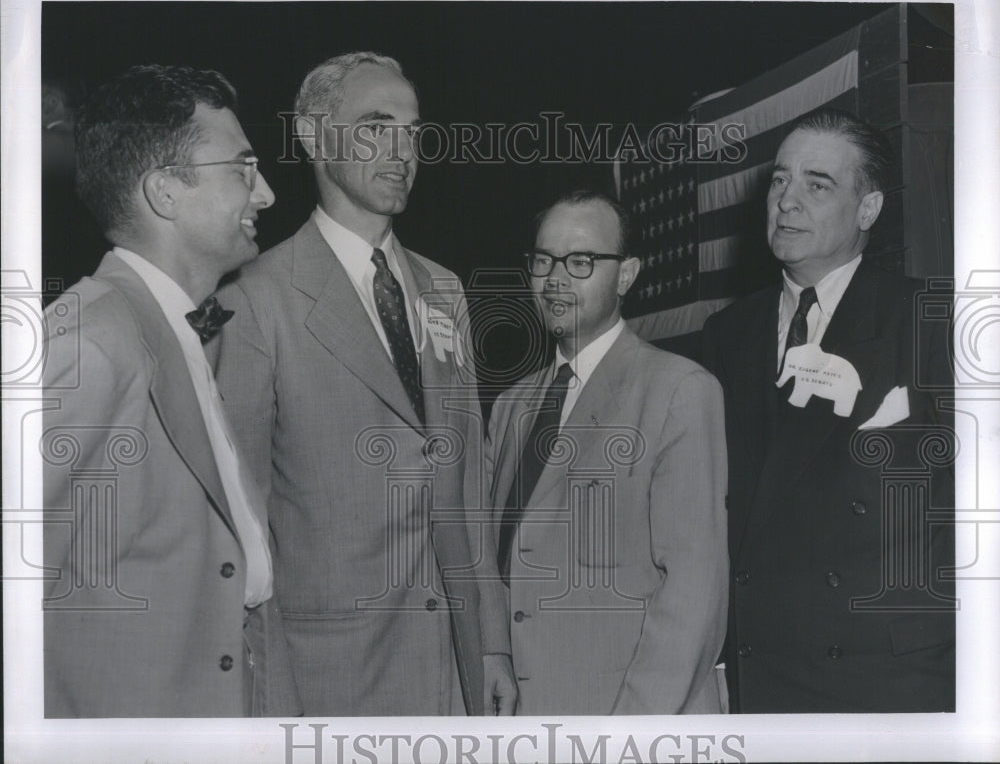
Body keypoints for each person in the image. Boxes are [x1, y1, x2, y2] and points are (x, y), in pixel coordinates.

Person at [213, 52, 515, 715]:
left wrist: (491, 644)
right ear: (315, 137)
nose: (403, 149)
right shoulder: (257, 299)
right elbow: (240, 523)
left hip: (454, 672)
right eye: (377, 126)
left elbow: (469, 489)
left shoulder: (445, 291)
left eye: (412, 130)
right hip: (332, 681)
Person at [42, 64, 299, 717]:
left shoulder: (180, 326)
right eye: (241, 168)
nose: (265, 193)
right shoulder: (89, 343)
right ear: (164, 191)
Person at [701, 107, 955, 712]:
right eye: (780, 180)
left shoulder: (931, 320)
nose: (788, 201)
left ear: (868, 210)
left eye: (818, 185)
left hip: (887, 676)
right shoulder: (726, 333)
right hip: (760, 670)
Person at [485, 190, 729, 714]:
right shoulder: (511, 405)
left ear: (626, 275)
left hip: (630, 719)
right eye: (543, 260)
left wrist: (628, 737)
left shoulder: (679, 389)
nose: (555, 280)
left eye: (581, 261)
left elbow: (693, 593)